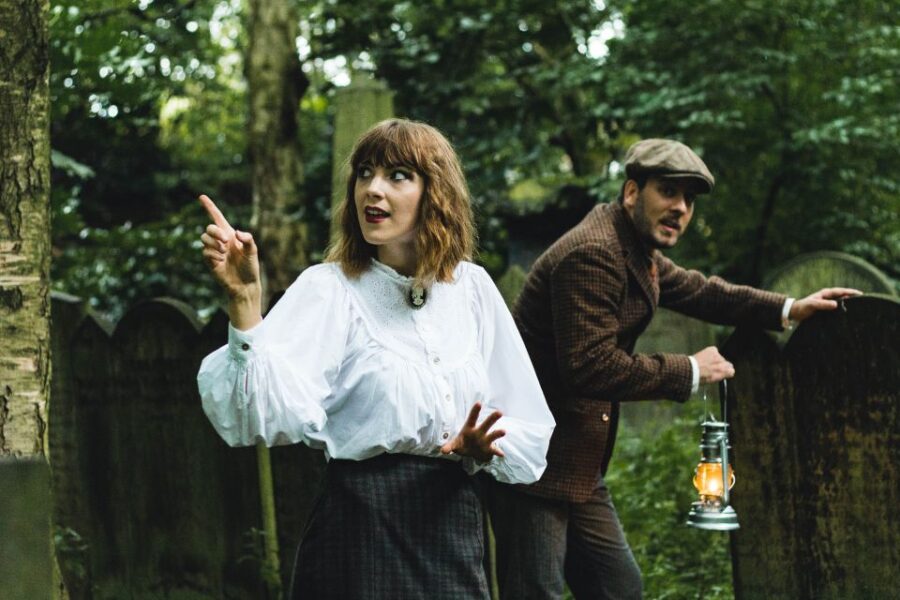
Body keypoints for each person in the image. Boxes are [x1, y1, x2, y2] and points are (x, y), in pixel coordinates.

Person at [486, 138, 861, 599]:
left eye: (689, 199)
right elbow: (589, 367)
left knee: (619, 588)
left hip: (576, 460)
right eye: (668, 191)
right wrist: (688, 369)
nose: (680, 208)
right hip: (532, 464)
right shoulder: (594, 252)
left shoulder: (633, 249)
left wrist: (789, 308)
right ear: (631, 192)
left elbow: (703, 291)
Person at [196, 118, 555, 599]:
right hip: (359, 529)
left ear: (436, 191)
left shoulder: (472, 289)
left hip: (452, 522)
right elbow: (255, 415)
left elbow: (525, 420)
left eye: (398, 175)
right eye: (365, 173)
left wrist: (483, 445)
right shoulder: (330, 288)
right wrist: (244, 304)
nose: (373, 190)